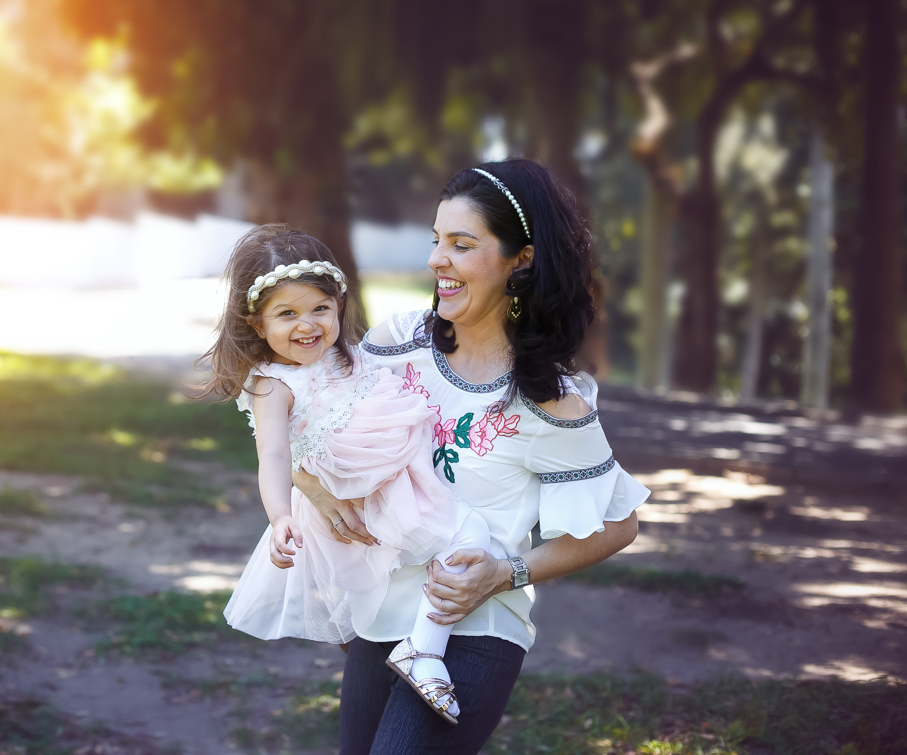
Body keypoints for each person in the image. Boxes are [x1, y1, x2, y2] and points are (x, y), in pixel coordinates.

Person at [289, 159, 651, 754]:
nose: (438, 259)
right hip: (378, 620)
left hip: (474, 633)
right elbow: (310, 423)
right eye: (437, 240)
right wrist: (315, 490)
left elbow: (620, 524)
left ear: (520, 260)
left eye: (461, 244)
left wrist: (506, 573)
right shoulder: (396, 344)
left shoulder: (550, 401)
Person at [200, 224, 496, 724]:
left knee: (426, 559)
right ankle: (423, 650)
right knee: (468, 534)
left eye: (320, 308)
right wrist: (279, 516)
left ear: (338, 304)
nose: (307, 325)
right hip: (360, 492)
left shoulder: (350, 355)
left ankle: (397, 645)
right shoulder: (273, 384)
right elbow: (272, 455)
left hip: (393, 480)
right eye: (287, 314)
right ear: (257, 324)